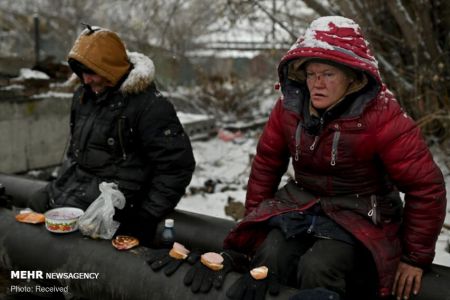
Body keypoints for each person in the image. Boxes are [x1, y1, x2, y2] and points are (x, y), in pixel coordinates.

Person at [219, 16, 446, 300]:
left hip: (363, 213)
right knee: (269, 255)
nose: (317, 84)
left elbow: (426, 186)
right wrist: (253, 225)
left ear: (353, 77)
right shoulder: (289, 109)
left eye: (328, 74)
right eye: (312, 75)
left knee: (318, 268)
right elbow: (266, 164)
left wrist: (415, 257)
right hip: (303, 204)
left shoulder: (383, 116)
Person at [28, 24, 196, 246]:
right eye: (81, 73)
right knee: (33, 203)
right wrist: (59, 181)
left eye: (91, 72)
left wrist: (147, 216)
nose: (86, 80)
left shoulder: (150, 107)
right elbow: (75, 153)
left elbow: (177, 166)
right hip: (77, 188)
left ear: (111, 69)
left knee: (60, 245)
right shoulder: (83, 97)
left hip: (116, 204)